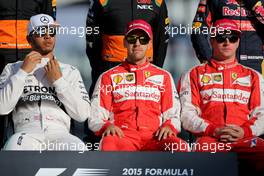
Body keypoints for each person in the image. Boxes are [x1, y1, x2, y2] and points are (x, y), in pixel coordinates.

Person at [88, 19, 187, 151]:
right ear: (124, 42)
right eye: (132, 39)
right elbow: (96, 116)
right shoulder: (107, 77)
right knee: (108, 143)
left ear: (149, 44)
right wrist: (107, 127)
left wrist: (169, 126)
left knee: (179, 146)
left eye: (143, 39)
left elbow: (173, 114)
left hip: (155, 136)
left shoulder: (164, 76)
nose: (137, 43)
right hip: (122, 136)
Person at [0, 14, 90, 150]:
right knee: (13, 148)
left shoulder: (70, 71)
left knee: (79, 149)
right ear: (29, 39)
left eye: (52, 32)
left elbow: (82, 115)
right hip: (26, 133)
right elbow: (2, 107)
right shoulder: (12, 69)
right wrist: (22, 72)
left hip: (60, 133)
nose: (48, 36)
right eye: (41, 32)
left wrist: (59, 81)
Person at [179, 19, 264, 153]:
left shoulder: (254, 76)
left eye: (233, 38)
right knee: (201, 152)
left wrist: (244, 131)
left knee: (261, 150)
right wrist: (213, 130)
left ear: (238, 42)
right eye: (221, 37)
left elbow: (261, 114)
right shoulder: (193, 74)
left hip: (244, 138)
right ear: (211, 41)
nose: (227, 42)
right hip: (208, 138)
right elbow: (187, 115)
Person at [0, 0, 56, 148]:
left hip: (31, 54)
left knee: (27, 103)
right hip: (2, 54)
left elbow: (48, 21)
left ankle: (25, 144)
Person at [86, 0, 170, 96]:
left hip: (147, 74)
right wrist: (101, 73)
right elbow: (92, 42)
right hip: (109, 73)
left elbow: (162, 42)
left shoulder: (158, 2)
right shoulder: (101, 1)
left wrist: (154, 74)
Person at [191, 0, 264, 75]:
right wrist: (208, 60)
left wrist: (255, 4)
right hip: (221, 64)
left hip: (255, 64)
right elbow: (197, 30)